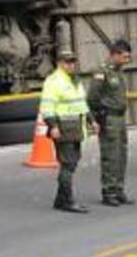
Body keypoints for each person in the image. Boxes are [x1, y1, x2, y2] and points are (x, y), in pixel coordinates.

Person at [40, 48, 95, 213]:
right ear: (59, 64)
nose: (71, 65)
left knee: (72, 162)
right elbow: (47, 107)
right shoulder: (53, 81)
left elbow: (81, 104)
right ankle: (68, 201)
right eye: (67, 62)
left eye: (72, 62)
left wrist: (91, 120)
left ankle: (60, 200)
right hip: (63, 128)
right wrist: (53, 126)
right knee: (67, 164)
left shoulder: (74, 80)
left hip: (76, 128)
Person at [87, 38, 134, 206]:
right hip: (109, 118)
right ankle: (108, 191)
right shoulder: (102, 72)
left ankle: (119, 189)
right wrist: (98, 118)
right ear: (115, 55)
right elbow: (92, 97)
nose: (127, 60)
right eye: (125, 56)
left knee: (121, 155)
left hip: (120, 118)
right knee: (110, 156)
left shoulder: (118, 72)